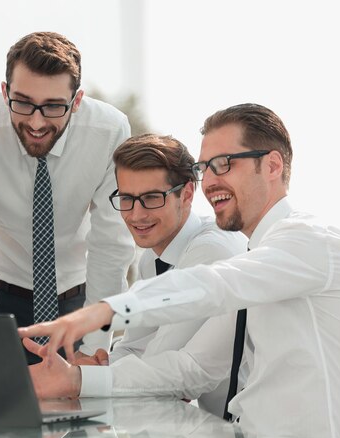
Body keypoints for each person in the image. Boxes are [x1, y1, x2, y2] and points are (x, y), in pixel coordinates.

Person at [20, 103, 340, 438]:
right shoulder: (260, 261)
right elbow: (195, 368)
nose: (211, 181)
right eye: (207, 168)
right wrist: (77, 378)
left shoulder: (311, 241)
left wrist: (106, 310)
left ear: (272, 165)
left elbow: (215, 285)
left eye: (225, 164)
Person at [0, 31, 134, 363]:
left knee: (79, 407)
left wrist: (95, 344)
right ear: (4, 92)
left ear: (77, 100)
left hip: (76, 300)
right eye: (23, 102)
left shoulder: (110, 131)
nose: (36, 121)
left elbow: (110, 243)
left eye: (54, 106)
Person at [73, 133, 246, 416]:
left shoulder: (210, 252)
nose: (136, 215)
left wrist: (83, 378)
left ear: (187, 194)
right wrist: (93, 368)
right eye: (127, 199)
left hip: (244, 431)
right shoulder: (152, 257)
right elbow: (134, 348)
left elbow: (160, 367)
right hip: (201, 425)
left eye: (152, 198)